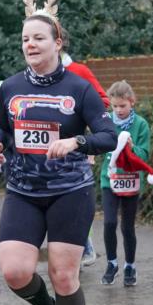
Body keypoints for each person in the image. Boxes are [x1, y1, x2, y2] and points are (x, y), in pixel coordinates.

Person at [0, 0, 116, 305]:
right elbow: (0, 128)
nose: (31, 44)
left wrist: (76, 141)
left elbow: (107, 136)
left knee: (63, 274)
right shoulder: (10, 87)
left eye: (39, 38)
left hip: (70, 192)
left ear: (57, 42)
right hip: (23, 191)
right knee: (14, 270)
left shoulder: (79, 88)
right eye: (25, 39)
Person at [61, 36, 109, 267]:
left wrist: (83, 131)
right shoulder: (31, 76)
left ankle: (84, 246)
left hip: (78, 145)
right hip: (44, 152)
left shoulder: (78, 70)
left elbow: (102, 100)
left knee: (76, 196)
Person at [99, 80, 151, 287]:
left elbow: (144, 154)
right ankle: (111, 263)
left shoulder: (141, 125)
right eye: (115, 106)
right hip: (109, 180)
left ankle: (130, 265)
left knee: (127, 227)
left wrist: (131, 147)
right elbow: (100, 146)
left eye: (123, 106)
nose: (119, 110)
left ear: (132, 102)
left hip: (131, 181)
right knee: (109, 222)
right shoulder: (105, 122)